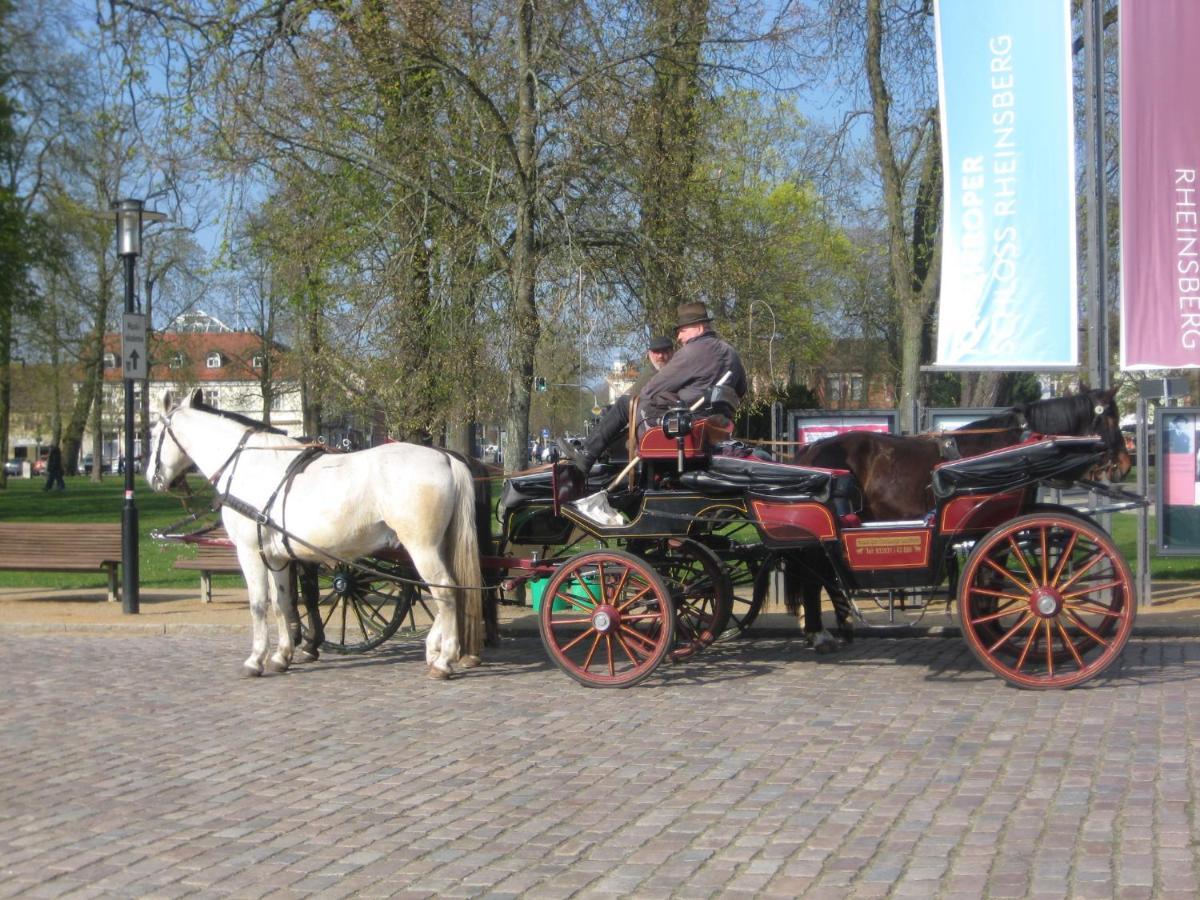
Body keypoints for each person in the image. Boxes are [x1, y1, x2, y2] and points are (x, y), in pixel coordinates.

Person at [560, 302, 746, 473]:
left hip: (683, 428)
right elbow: (741, 390)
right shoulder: (732, 353)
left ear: (698, 328)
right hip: (713, 430)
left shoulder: (691, 353)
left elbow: (650, 390)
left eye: (682, 331)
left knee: (627, 403)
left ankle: (587, 455)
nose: (679, 337)